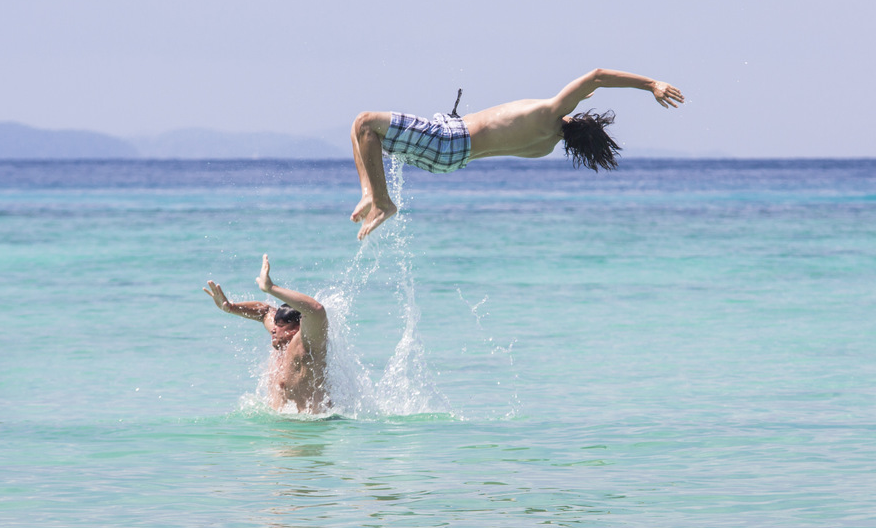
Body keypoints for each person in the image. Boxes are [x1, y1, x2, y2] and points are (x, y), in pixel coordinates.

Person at [350, 67, 685, 238]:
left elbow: (596, 76)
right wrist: (577, 105)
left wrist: (651, 84)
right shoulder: (544, 145)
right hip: (450, 161)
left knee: (364, 122)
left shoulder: (548, 112)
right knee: (365, 134)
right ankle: (370, 193)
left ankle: (380, 199)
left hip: (448, 139)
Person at [203, 254, 330, 413]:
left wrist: (271, 288)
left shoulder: (309, 344)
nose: (273, 329)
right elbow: (264, 312)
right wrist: (230, 307)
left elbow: (316, 310)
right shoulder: (282, 336)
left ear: (296, 329)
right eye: (275, 324)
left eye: (281, 325)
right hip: (282, 428)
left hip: (309, 428)